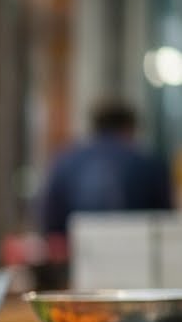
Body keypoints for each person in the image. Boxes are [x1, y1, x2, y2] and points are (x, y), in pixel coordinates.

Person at [38, 99, 175, 240]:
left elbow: (49, 221)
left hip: (78, 252)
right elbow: (164, 222)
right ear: (129, 128)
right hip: (135, 252)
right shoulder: (149, 163)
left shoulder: (65, 161)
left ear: (94, 127)